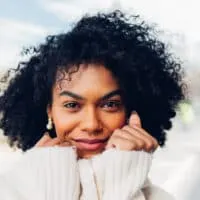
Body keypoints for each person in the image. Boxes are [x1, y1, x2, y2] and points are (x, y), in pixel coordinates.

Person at [0, 10, 184, 200]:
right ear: (49, 111)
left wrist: (123, 180)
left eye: (110, 104)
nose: (91, 124)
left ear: (130, 112)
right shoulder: (9, 189)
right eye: (72, 105)